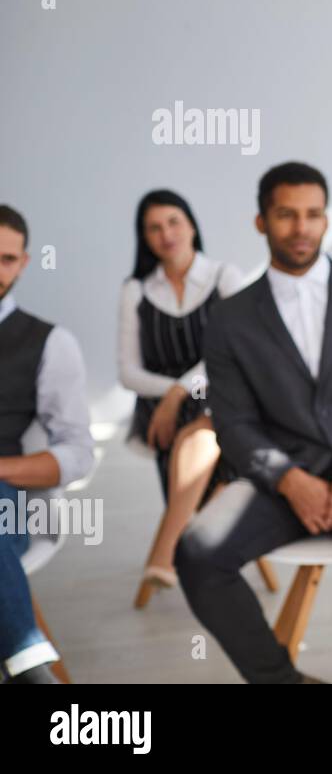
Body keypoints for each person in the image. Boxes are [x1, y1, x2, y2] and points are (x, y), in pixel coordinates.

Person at [175, 163, 332, 684]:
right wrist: (288, 479)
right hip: (279, 481)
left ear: (326, 219)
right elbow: (234, 422)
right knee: (197, 555)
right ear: (261, 221)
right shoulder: (231, 318)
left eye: (313, 214)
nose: (301, 228)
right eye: (287, 215)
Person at [117, 189, 243, 599]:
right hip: (161, 414)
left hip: (222, 397)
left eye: (173, 221)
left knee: (207, 435)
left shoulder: (224, 277)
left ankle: (165, 551)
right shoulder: (136, 290)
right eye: (153, 227)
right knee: (198, 440)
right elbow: (128, 372)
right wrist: (172, 393)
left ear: (191, 224)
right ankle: (191, 555)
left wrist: (181, 391)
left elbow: (238, 349)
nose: (165, 234)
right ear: (144, 237)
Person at [0, 205, 95, 684]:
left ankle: (28, 668)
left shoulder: (50, 342)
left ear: (23, 263)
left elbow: (78, 451)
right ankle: (32, 667)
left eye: (6, 259)